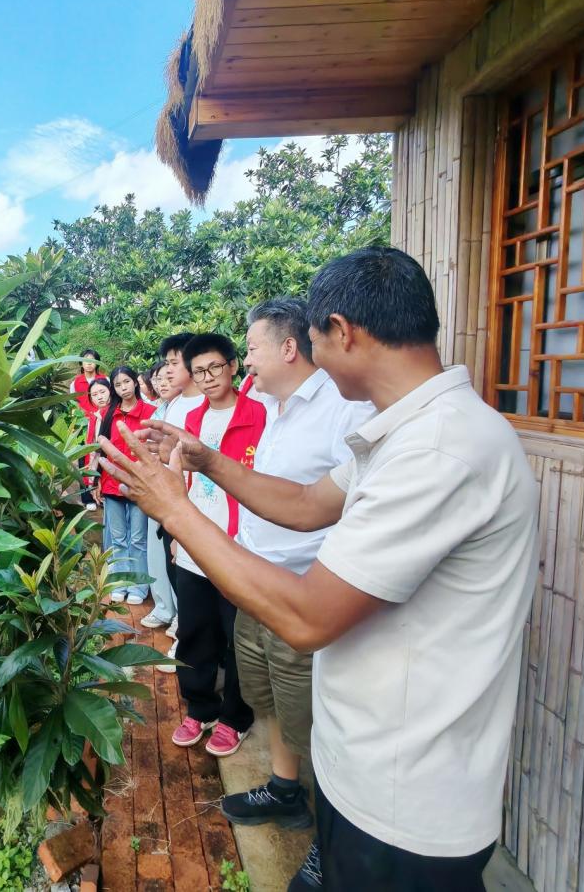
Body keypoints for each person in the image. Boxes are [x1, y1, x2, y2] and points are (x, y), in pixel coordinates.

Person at [99, 247, 539, 892]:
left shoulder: (440, 450)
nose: (311, 357)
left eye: (314, 340)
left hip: (404, 799)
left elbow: (308, 618)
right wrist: (207, 460)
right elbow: (307, 504)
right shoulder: (406, 431)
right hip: (364, 765)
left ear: (341, 331)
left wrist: (173, 508)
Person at [217, 298, 373, 848]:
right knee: (269, 702)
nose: (245, 360)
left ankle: (332, 849)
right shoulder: (274, 407)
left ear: (288, 348)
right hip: (259, 586)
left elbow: (343, 506)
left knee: (316, 721)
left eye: (251, 348)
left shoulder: (343, 409)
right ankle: (285, 792)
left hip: (303, 594)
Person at [168, 332, 261, 758]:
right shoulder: (192, 420)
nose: (207, 378)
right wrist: (176, 534)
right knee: (194, 631)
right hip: (194, 545)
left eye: (215, 368)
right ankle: (200, 707)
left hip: (237, 547)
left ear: (233, 365)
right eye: (199, 371)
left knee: (237, 637)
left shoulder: (260, 415)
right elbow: (183, 480)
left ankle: (235, 717)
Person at [152, 334, 205, 670]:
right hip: (170, 504)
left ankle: (189, 646)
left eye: (174, 363)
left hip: (190, 507)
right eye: (167, 363)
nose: (168, 371)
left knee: (193, 582)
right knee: (177, 574)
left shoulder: (204, 405)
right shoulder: (175, 403)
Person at [98, 365, 154, 606]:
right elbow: (101, 449)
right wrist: (96, 481)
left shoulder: (150, 412)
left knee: (138, 539)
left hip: (140, 485)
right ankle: (120, 583)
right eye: (118, 384)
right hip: (111, 485)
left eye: (127, 382)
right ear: (114, 388)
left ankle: (139, 586)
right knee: (118, 539)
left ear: (136, 382)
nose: (123, 388)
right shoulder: (109, 414)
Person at [140, 362, 177, 631]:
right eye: (157, 378)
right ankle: (164, 607)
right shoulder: (160, 410)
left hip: (174, 493)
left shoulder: (187, 408)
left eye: (167, 377)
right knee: (157, 552)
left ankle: (180, 615)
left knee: (176, 557)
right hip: (155, 487)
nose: (162, 383)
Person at [71, 349, 106, 510]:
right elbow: (73, 405)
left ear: (97, 362)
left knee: (102, 458)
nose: (89, 363)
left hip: (101, 422)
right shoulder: (75, 383)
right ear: (81, 363)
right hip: (84, 425)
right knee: (84, 461)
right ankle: (87, 498)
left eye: (93, 360)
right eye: (86, 360)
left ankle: (103, 494)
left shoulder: (104, 380)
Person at [82, 378, 113, 515]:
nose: (99, 397)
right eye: (94, 394)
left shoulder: (114, 413)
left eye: (102, 392)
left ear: (110, 391)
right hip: (97, 459)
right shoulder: (94, 416)